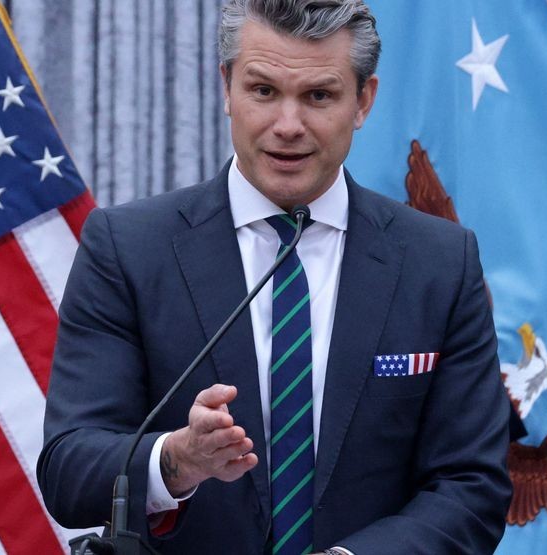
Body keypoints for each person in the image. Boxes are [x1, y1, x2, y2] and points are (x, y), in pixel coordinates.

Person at [37, 0, 513, 553]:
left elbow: (472, 487)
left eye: (319, 96)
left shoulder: (439, 263)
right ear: (226, 88)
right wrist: (176, 459)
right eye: (263, 91)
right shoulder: (128, 248)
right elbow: (68, 471)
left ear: (364, 101)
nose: (288, 126)